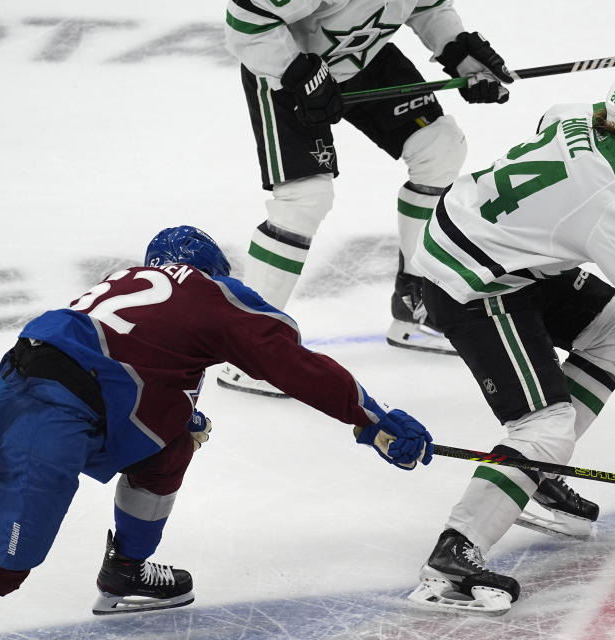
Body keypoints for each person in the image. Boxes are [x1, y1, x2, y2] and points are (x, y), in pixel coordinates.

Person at [0, 226, 433, 615]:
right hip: (51, 413)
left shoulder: (129, 283)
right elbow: (293, 364)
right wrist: (373, 417)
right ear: (212, 272)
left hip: (32, 388)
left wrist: (176, 413)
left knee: (171, 445)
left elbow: (120, 363)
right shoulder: (209, 294)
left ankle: (127, 569)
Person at [404, 68, 615, 615]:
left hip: (498, 252)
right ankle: (452, 558)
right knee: (545, 428)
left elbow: (555, 119)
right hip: (473, 284)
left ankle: (531, 478)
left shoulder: (584, 118)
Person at [218, 0, 514, 396]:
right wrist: (295, 71)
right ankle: (248, 349)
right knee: (305, 199)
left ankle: (416, 303)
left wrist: (460, 52)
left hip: (365, 59)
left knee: (439, 147)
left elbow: (427, 7)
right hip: (285, 72)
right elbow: (247, 21)